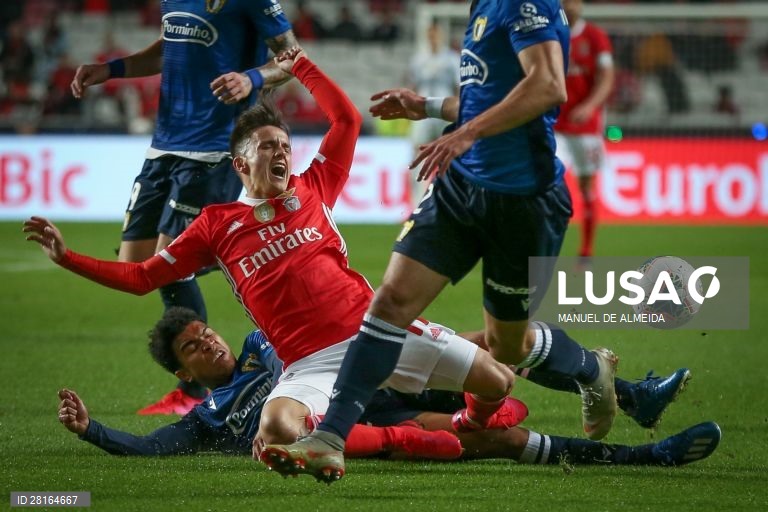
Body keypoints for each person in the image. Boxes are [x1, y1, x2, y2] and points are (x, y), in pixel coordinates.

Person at [25, 47, 518, 483]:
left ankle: (468, 425)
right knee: (276, 428)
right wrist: (68, 259)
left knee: (498, 383)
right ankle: (368, 442)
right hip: (310, 363)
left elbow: (344, 120)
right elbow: (140, 277)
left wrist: (298, 64)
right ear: (239, 164)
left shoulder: (315, 186)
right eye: (268, 146)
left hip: (376, 331)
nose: (281, 152)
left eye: (285, 145)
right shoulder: (216, 226)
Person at [265, 0, 621, 482]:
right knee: (390, 303)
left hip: (523, 203)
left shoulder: (525, 4)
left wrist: (464, 134)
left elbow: (548, 86)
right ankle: (329, 439)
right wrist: (428, 107)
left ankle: (589, 369)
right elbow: (483, 99)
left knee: (506, 345)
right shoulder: (483, 8)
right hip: (460, 190)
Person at [57, 307, 721, 471]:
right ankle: (645, 459)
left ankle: (632, 396)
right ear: (183, 374)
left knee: (498, 338)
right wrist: (92, 431)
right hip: (371, 428)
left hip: (383, 382)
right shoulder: (209, 419)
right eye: (192, 348)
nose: (208, 342)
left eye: (205, 332)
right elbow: (150, 450)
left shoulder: (269, 343)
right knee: (498, 438)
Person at [68, 0, 299, 415]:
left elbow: (292, 56)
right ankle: (232, 246)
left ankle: (196, 396)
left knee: (168, 263)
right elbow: (169, 45)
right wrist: (112, 69)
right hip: (164, 145)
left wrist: (251, 78)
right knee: (135, 264)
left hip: (212, 149)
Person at [555, 0, 615, 261]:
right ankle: (544, 244)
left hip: (586, 127)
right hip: (554, 125)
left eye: (574, 0)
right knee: (547, 181)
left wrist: (590, 106)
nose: (570, 5)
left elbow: (607, 76)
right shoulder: (551, 34)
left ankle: (586, 251)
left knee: (587, 187)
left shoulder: (595, 37)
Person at [406, 22, 459, 206]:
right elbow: (412, 87)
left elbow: (458, 88)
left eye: (435, 34)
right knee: (417, 154)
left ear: (441, 36)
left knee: (448, 154)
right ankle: (416, 203)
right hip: (423, 113)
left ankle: (450, 200)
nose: (433, 37)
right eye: (430, 34)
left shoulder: (452, 59)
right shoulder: (418, 59)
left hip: (444, 111)